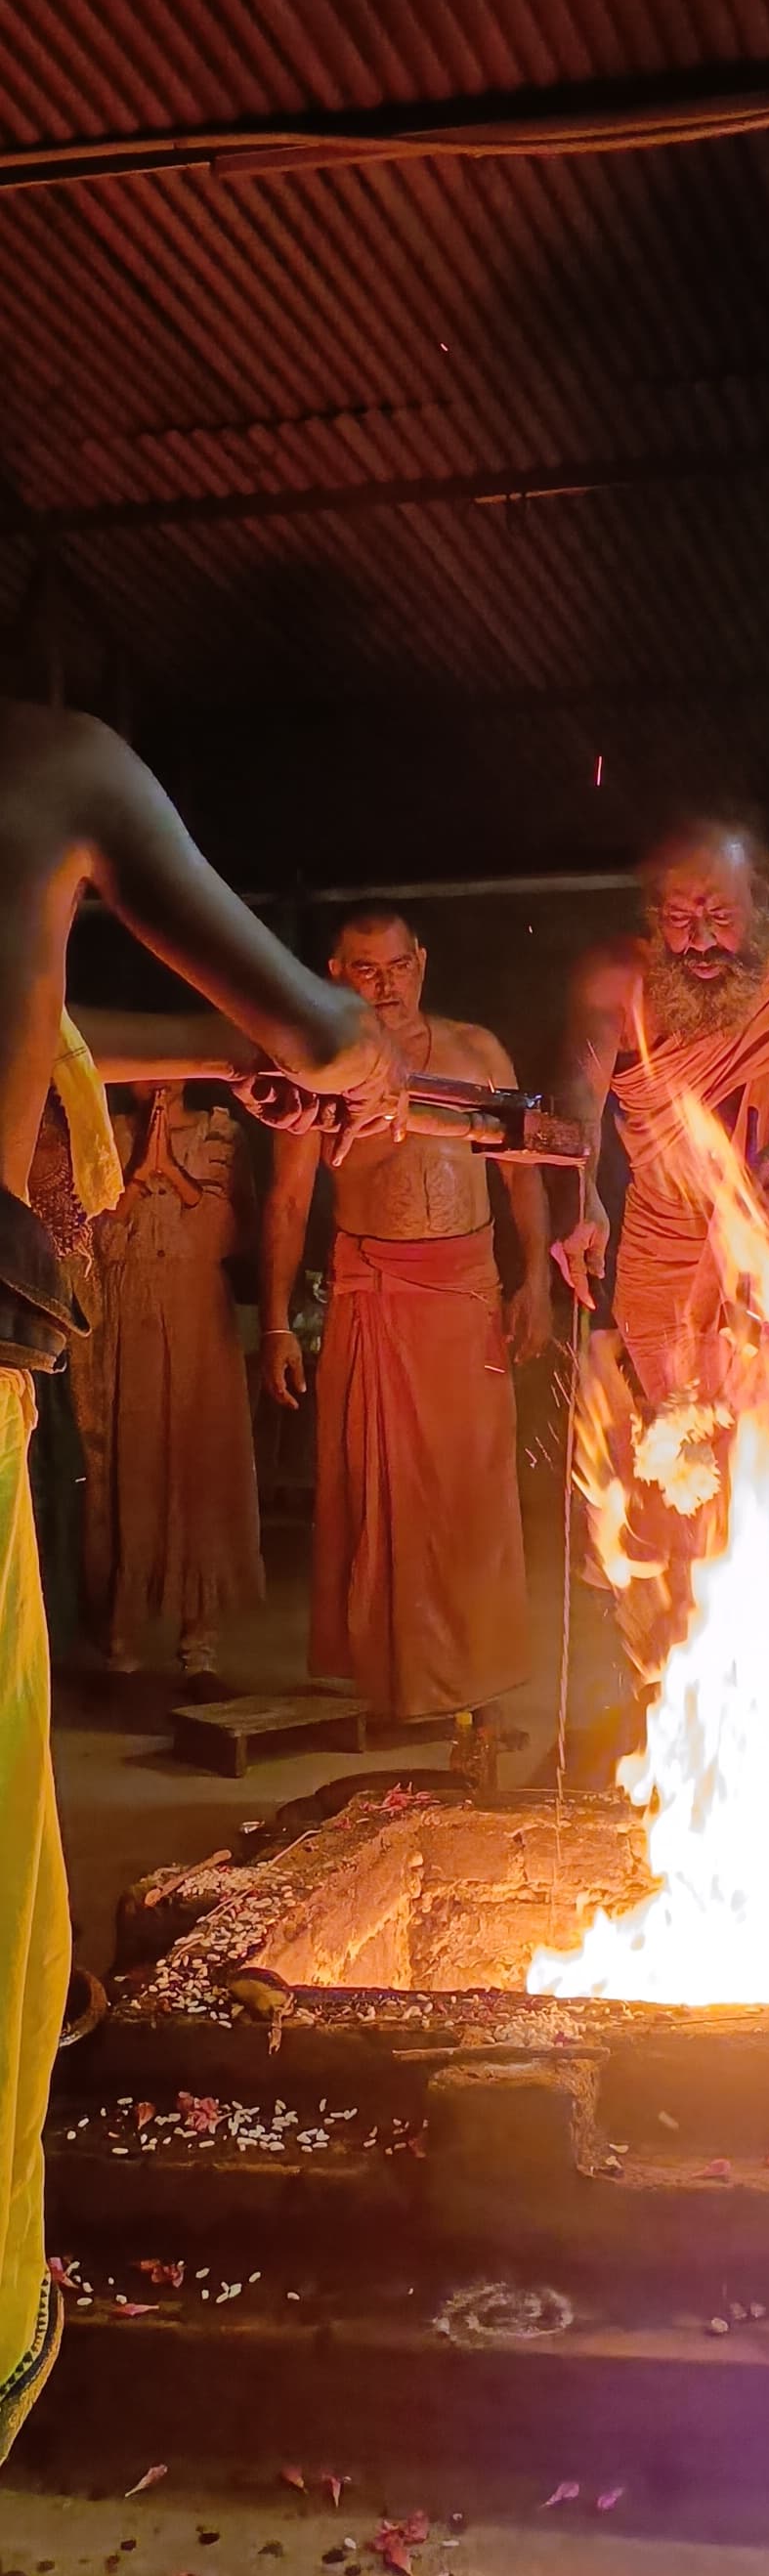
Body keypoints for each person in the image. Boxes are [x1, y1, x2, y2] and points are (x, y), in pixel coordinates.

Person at [0, 701, 404, 2465]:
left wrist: (190, 1074)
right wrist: (341, 1059)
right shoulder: (53, 760)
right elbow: (317, 1027)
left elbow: (47, 992)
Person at [551, 818, 769, 1575]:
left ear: (762, 902)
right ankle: (678, 1662)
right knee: (675, 1460)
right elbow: (577, 1099)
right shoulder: (620, 980)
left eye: (721, 916)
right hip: (662, 1257)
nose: (702, 941)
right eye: (679, 920)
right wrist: (579, 1194)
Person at [258, 909, 550, 1724]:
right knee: (381, 1489)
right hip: (375, 1294)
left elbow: (523, 1173)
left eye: (396, 966)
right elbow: (286, 1203)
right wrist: (276, 1324)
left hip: (466, 1292)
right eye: (364, 970)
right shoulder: (319, 1064)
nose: (384, 984)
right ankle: (398, 1680)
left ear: (422, 963)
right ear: (334, 972)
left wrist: (537, 1282)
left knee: (471, 1483)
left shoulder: (476, 1052)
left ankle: (474, 1677)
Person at [71, 1086, 262, 1676]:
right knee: (130, 1460)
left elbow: (233, 1234)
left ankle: (198, 1632)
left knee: (197, 1464)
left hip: (196, 1314)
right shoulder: (109, 1135)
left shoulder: (221, 1136)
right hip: (126, 1314)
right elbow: (90, 1230)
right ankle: (120, 1624)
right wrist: (136, 1174)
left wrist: (174, 1175)